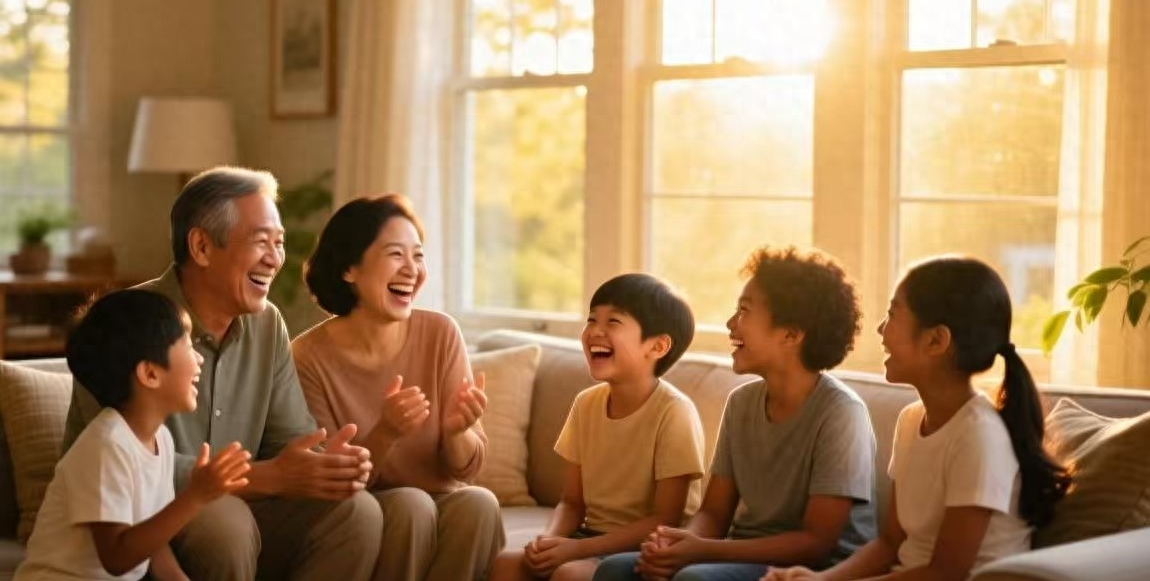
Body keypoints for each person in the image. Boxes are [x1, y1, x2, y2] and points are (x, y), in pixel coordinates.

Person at [62, 166, 383, 581]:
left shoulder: (268, 324)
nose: (275, 258)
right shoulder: (127, 324)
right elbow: (119, 461)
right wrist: (265, 477)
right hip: (147, 518)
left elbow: (288, 442)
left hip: (239, 510)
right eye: (261, 241)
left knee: (357, 512)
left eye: (279, 243)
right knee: (223, 518)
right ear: (201, 246)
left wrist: (321, 466)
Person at [764, 256, 1071, 581]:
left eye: (893, 315)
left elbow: (946, 573)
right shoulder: (911, 420)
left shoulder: (978, 436)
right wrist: (820, 579)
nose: (881, 330)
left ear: (936, 340)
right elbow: (890, 542)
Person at [595, 245, 876, 581]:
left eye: (744, 311)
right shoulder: (741, 403)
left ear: (791, 334)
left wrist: (701, 551)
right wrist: (679, 544)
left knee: (695, 579)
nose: (731, 324)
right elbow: (714, 513)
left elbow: (815, 542)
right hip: (740, 552)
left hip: (816, 568)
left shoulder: (841, 413)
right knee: (615, 569)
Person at [293, 193, 504, 581]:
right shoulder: (307, 357)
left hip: (438, 497)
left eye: (418, 256)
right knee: (410, 505)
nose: (412, 269)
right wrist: (385, 433)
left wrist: (456, 431)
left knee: (480, 504)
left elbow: (467, 469)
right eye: (396, 255)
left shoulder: (441, 333)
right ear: (349, 269)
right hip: (364, 509)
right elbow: (326, 479)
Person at [17, 289, 251, 581]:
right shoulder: (106, 445)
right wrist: (195, 496)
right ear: (150, 374)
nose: (199, 359)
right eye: (187, 345)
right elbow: (117, 556)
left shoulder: (161, 440)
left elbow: (151, 541)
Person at [490, 272, 706, 581]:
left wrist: (576, 550)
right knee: (505, 565)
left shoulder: (674, 412)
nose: (595, 332)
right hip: (589, 536)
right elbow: (572, 502)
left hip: (645, 548)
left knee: (570, 574)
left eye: (613, 322)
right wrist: (549, 540)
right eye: (592, 320)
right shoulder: (585, 403)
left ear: (657, 346)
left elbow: (666, 519)